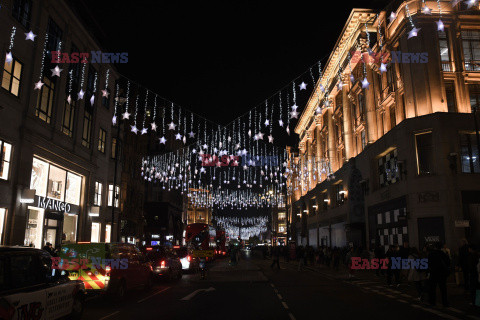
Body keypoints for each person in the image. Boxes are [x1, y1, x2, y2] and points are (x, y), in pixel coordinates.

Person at [428, 242, 450, 307]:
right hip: (442, 274)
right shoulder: (443, 254)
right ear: (441, 247)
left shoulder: (431, 254)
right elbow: (448, 262)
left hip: (433, 273)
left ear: (435, 247)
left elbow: (428, 263)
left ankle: (432, 302)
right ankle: (445, 303)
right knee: (443, 289)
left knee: (432, 289)